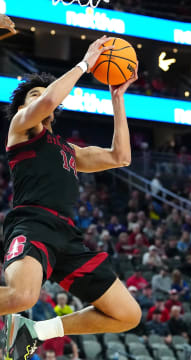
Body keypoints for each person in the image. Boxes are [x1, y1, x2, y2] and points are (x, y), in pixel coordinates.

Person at [2, 33, 141, 359]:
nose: (42, 97)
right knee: (22, 297)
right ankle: (23, 320)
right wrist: (85, 63)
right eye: (34, 95)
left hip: (67, 236)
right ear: (25, 106)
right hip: (32, 222)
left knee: (127, 314)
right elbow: (49, 101)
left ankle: (35, 331)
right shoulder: (20, 128)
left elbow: (120, 156)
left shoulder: (68, 150)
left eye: (43, 93)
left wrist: (117, 98)